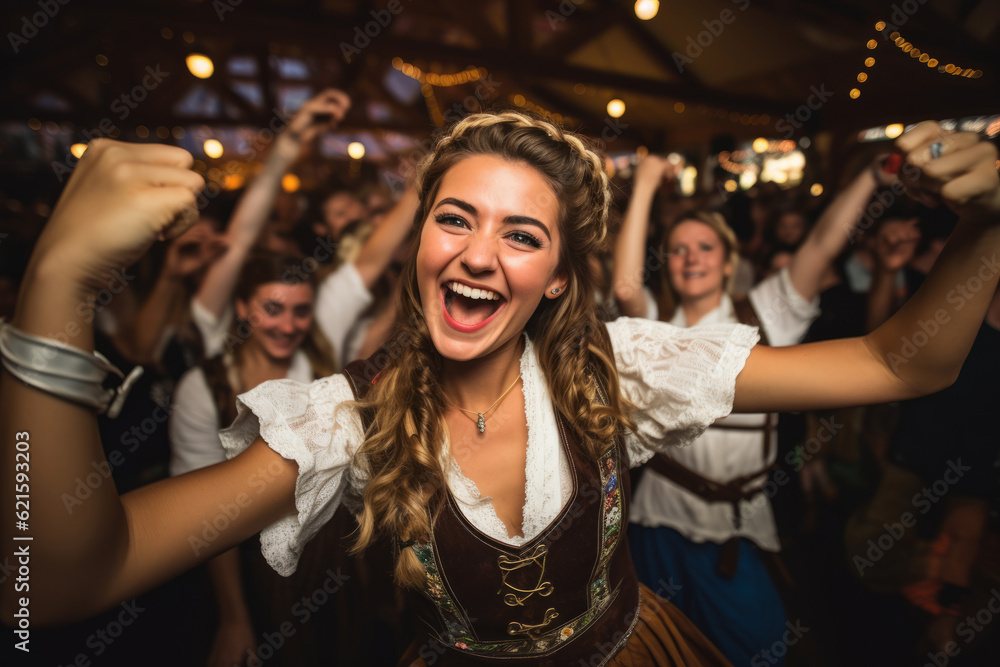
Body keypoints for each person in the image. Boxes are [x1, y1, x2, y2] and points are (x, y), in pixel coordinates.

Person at [2, 115, 999, 667]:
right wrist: (56, 294)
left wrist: (990, 226)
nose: (479, 255)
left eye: (521, 235)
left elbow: (900, 362)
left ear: (559, 274)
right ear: (419, 239)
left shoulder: (626, 369)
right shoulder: (344, 417)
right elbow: (55, 583)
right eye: (454, 219)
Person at [612, 153, 896, 664]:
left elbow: (823, 242)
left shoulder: (763, 315)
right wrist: (649, 182)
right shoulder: (657, 327)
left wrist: (870, 177)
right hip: (658, 519)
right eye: (677, 250)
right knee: (656, 651)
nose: (690, 257)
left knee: (758, 646)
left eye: (704, 247)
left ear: (728, 260)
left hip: (732, 526)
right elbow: (627, 287)